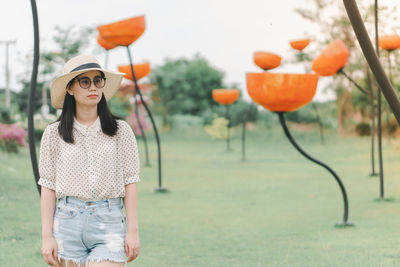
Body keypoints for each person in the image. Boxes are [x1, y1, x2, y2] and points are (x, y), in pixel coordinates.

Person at [38, 55, 140, 267]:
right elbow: (48, 187)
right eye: (85, 81)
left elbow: (130, 181)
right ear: (70, 88)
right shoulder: (52, 134)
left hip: (109, 222)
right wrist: (47, 236)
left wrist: (133, 231)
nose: (93, 87)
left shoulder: (121, 131)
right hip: (67, 223)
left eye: (97, 80)